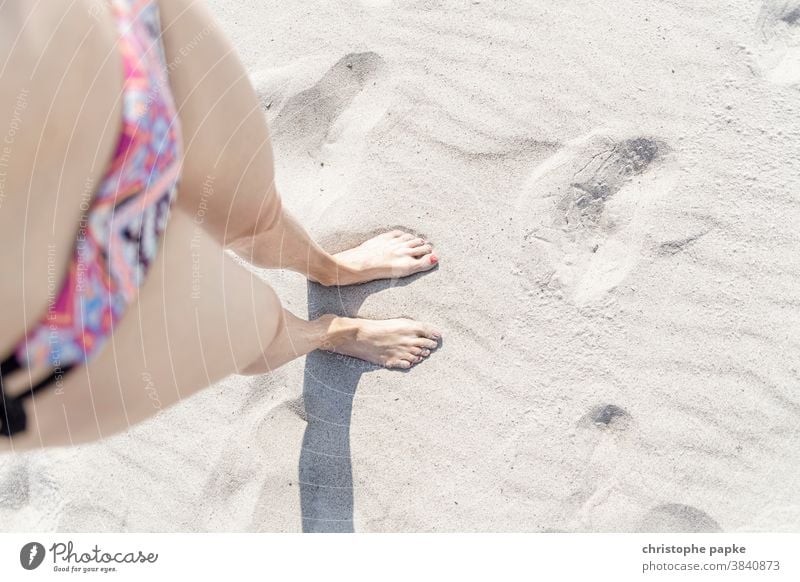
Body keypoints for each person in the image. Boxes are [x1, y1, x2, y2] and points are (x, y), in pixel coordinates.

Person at [0, 0, 441, 450]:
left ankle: (328, 268)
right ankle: (331, 331)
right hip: (41, 313)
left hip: (101, 36)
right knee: (245, 329)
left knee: (250, 209)